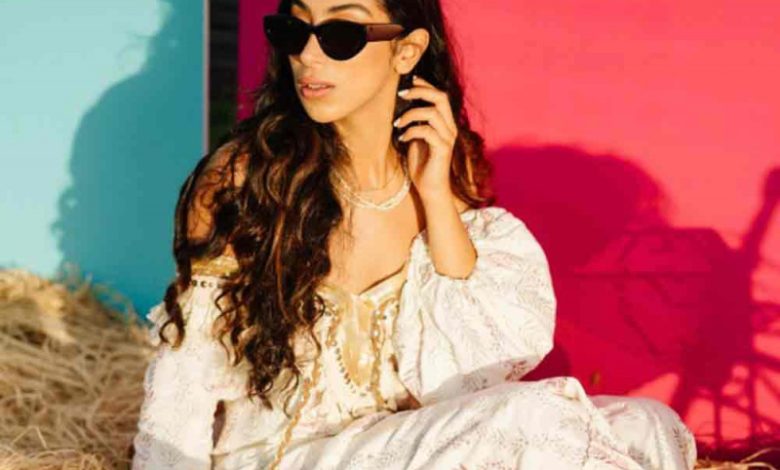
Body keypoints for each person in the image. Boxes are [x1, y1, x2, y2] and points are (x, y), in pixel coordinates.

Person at [131, 0, 698, 468]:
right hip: (283, 455)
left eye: (340, 34)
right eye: (293, 29)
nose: (307, 54)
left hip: (398, 438)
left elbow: (476, 371)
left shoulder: (444, 167)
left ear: (406, 50)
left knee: (646, 424)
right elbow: (187, 368)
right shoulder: (242, 178)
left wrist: (435, 197)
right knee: (534, 419)